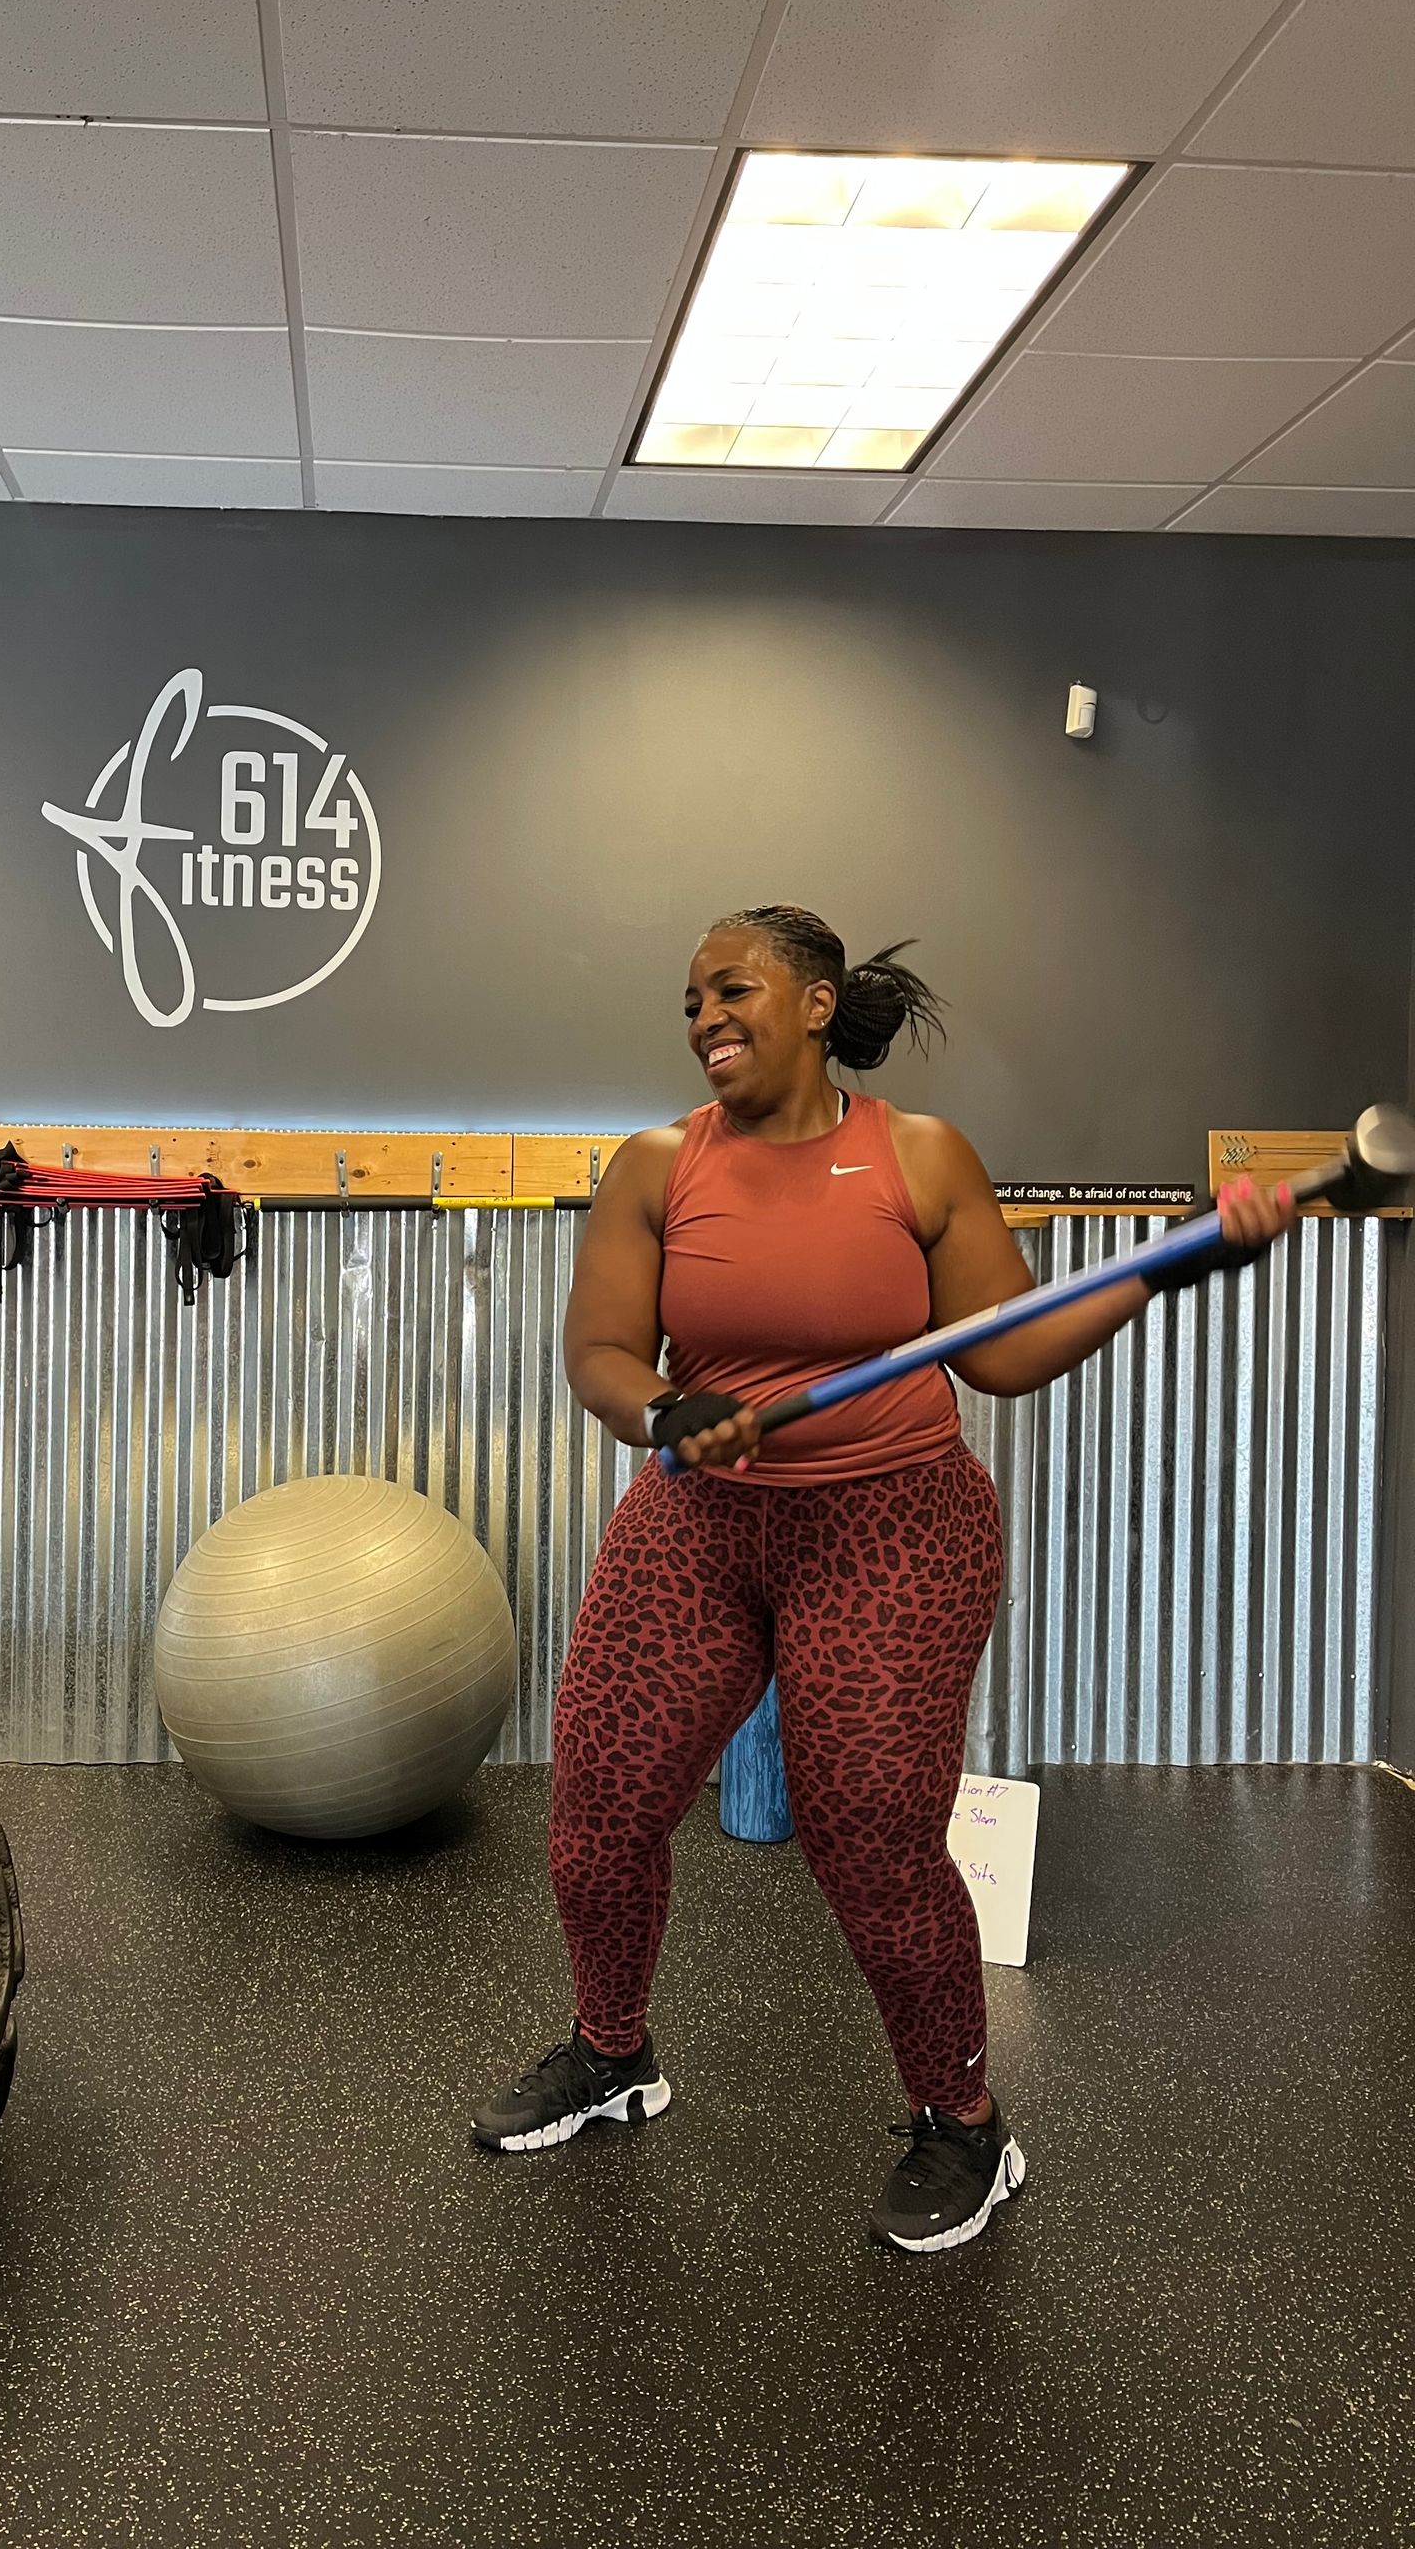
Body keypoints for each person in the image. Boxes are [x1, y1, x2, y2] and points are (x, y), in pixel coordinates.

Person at [472, 904, 1291, 2253]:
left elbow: (1004, 1353)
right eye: (687, 1003)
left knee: (870, 1832)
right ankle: (612, 2057)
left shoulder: (916, 1156)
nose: (704, 1020)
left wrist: (1180, 1265)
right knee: (603, 1801)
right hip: (700, 1525)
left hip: (893, 1529)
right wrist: (664, 1412)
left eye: (730, 990)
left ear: (812, 1002)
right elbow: (605, 1353)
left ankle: (963, 2124)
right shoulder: (656, 1166)